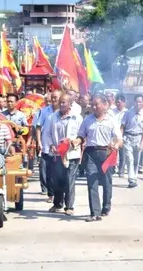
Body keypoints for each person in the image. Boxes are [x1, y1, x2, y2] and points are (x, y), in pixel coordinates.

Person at [73, 94, 123, 222]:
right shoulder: (87, 120)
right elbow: (81, 135)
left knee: (106, 182)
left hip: (106, 153)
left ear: (105, 105)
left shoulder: (111, 120)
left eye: (97, 104)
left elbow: (119, 138)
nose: (94, 107)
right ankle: (95, 212)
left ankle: (106, 206)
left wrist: (116, 145)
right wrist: (76, 142)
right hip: (90, 153)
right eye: (92, 104)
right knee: (91, 182)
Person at [47, 94, 82, 215]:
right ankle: (57, 204)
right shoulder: (53, 117)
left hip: (71, 154)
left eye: (64, 103)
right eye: (60, 102)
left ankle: (69, 206)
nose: (61, 105)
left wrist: (75, 141)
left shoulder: (77, 118)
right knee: (57, 180)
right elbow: (47, 134)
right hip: (57, 154)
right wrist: (51, 145)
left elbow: (81, 135)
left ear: (70, 104)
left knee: (69, 179)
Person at [36, 90, 61, 202]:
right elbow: (38, 127)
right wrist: (39, 142)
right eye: (53, 97)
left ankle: (59, 195)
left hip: (60, 147)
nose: (54, 100)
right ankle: (51, 195)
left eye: (56, 97)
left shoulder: (63, 111)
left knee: (59, 172)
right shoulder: (44, 111)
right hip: (46, 146)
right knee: (48, 172)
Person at [120, 94, 143, 188]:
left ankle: (134, 177)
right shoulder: (128, 113)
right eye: (137, 101)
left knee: (136, 161)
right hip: (128, 138)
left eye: (140, 101)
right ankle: (131, 179)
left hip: (138, 138)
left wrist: (142, 143)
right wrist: (120, 139)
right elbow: (122, 127)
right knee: (129, 159)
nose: (138, 103)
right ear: (134, 102)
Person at [112, 94, 128, 177]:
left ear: (124, 103)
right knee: (113, 152)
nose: (118, 104)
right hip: (113, 135)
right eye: (117, 102)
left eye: (120, 102)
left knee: (122, 154)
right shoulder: (112, 111)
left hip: (123, 135)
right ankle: (112, 169)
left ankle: (121, 171)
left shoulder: (127, 112)